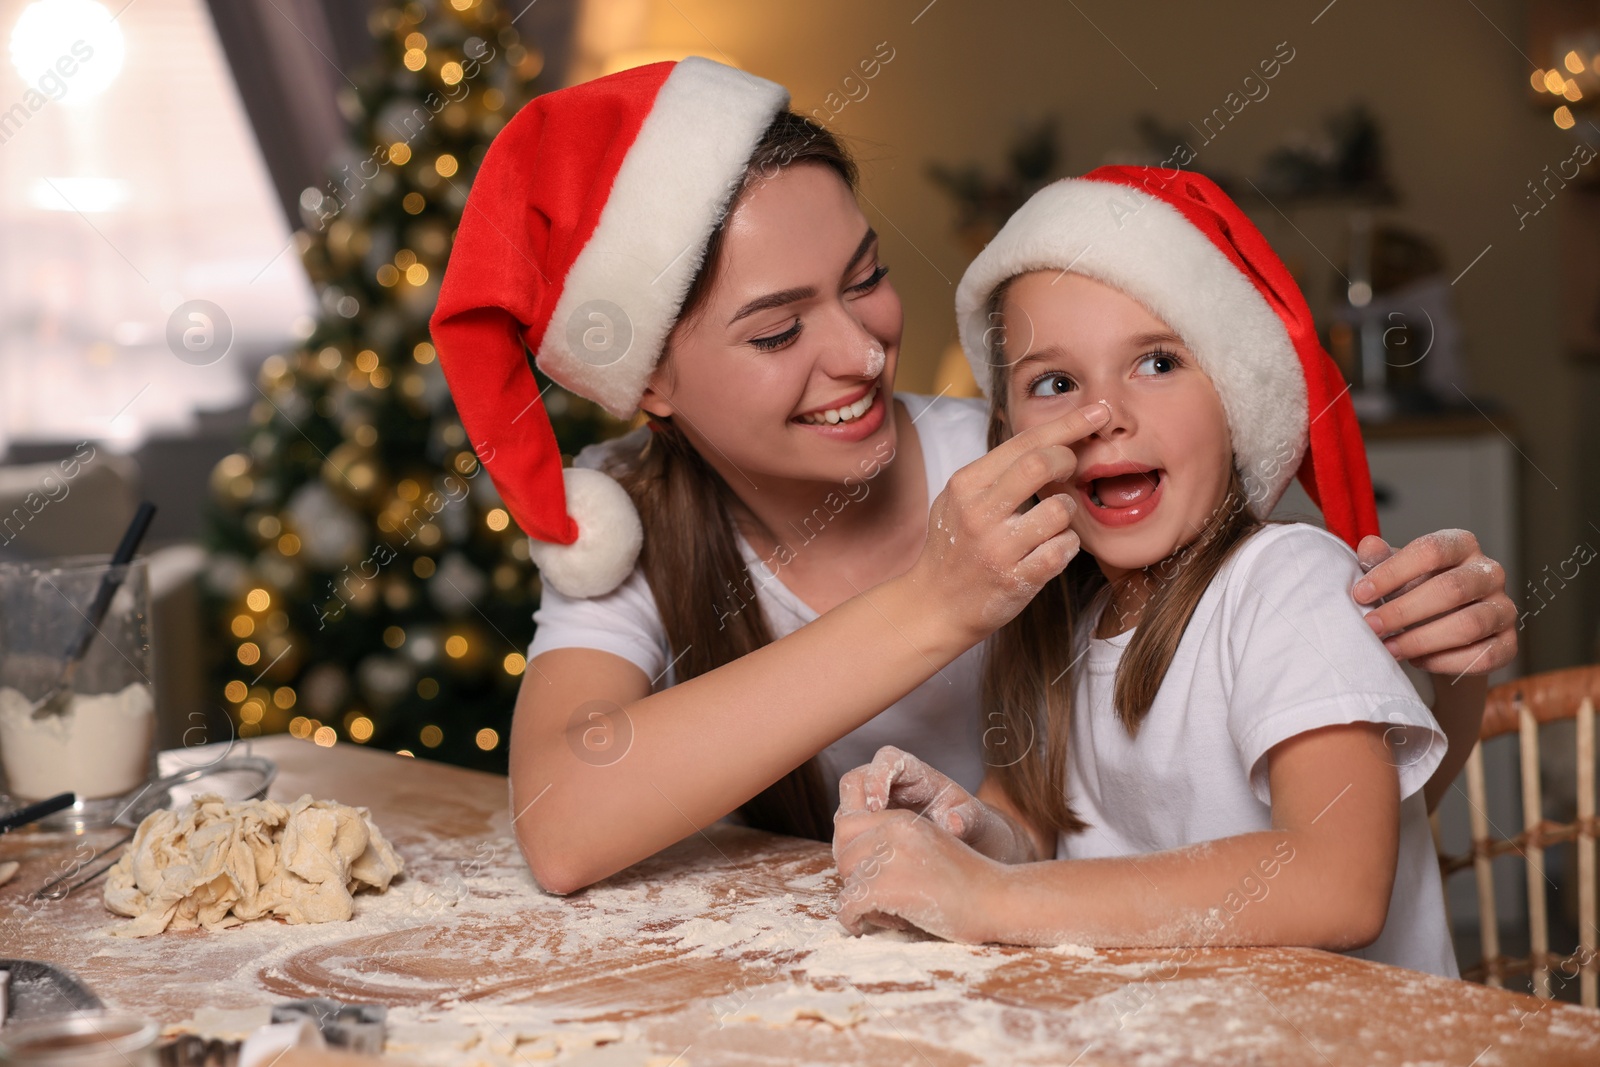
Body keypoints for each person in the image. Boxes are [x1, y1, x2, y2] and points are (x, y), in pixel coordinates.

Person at [430, 59, 1517, 897]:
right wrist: (933, 605)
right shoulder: (619, 519)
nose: (858, 352)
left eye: (867, 280)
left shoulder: (1048, 467)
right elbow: (564, 820)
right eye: (776, 330)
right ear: (651, 380)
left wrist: (1449, 667)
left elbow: (1313, 759)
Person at [832, 167, 1469, 977]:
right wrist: (962, 833)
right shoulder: (1064, 618)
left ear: (1237, 399)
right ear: (1010, 437)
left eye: (1158, 363)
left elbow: (1337, 882)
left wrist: (987, 900)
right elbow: (1028, 824)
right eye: (1056, 384)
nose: (1105, 415)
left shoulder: (1291, 585)